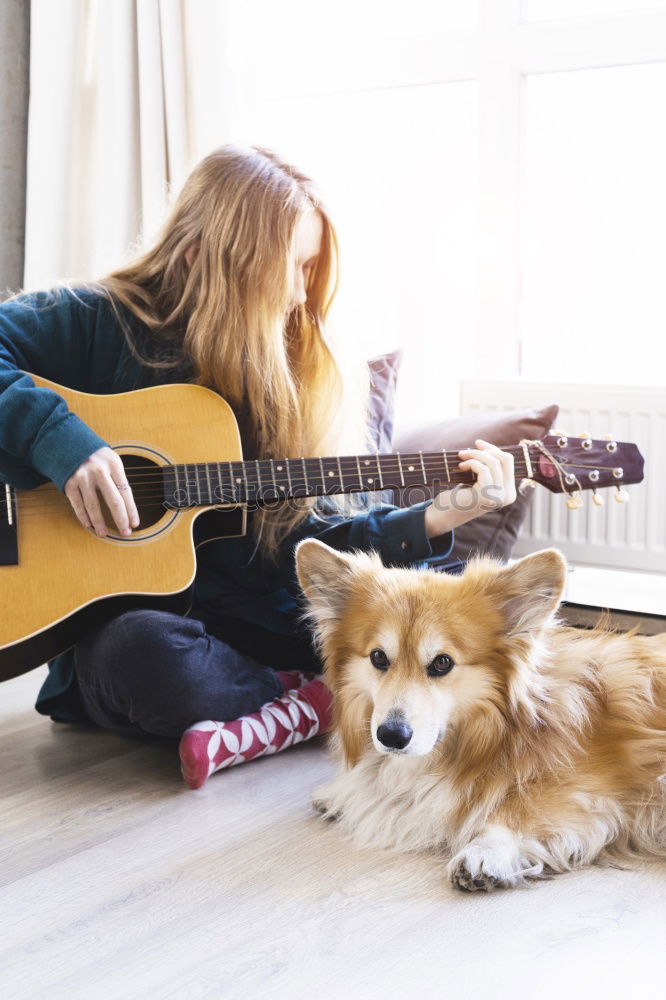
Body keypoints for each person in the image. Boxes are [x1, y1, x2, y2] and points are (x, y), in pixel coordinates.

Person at [0, 144, 516, 788]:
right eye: (292, 268)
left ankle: (286, 700)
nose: (303, 294)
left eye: (312, 269)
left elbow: (312, 544)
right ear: (208, 259)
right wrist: (62, 441)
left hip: (260, 632)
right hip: (139, 639)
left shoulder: (295, 371)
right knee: (142, 654)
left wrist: (438, 517)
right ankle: (308, 703)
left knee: (364, 644)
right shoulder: (97, 321)